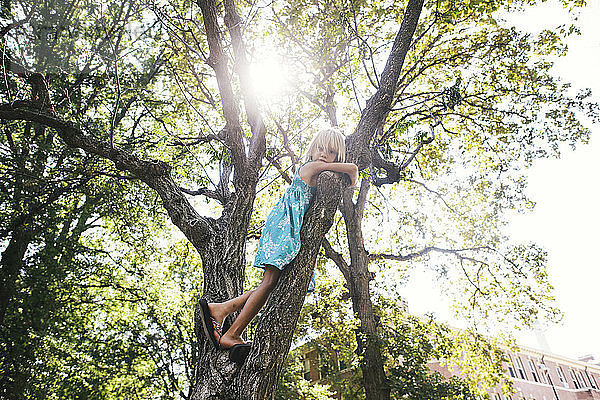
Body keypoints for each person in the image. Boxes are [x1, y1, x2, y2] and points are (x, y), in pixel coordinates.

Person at [199, 127, 358, 363]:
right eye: (320, 148)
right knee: (270, 281)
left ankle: (222, 310)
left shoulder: (317, 169)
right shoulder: (310, 167)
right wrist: (341, 167)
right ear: (312, 149)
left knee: (273, 284)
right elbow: (353, 170)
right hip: (284, 227)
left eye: (332, 152)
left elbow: (350, 175)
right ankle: (232, 334)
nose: (324, 154)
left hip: (288, 228)